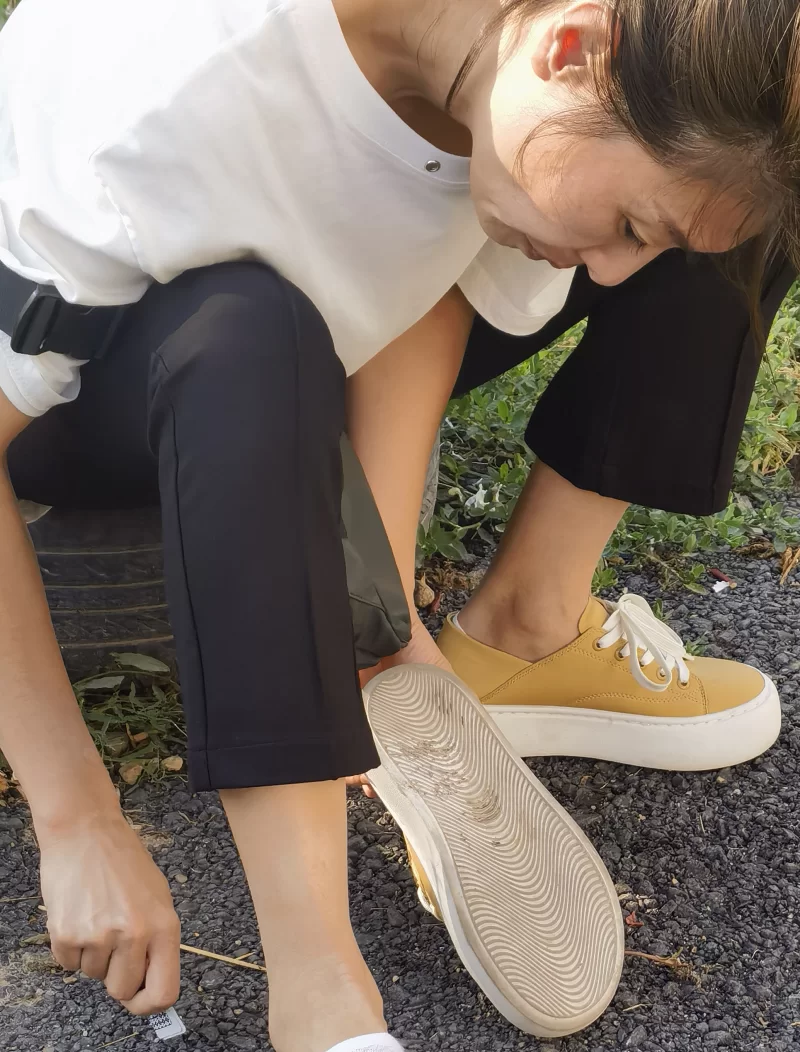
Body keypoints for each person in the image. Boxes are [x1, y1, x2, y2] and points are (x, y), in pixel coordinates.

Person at [0, 0, 798, 1049]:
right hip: (97, 376)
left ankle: (525, 626)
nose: (607, 271)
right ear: (572, 49)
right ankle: (320, 989)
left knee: (729, 218)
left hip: (307, 325)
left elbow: (422, 272)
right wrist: (77, 819)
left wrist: (373, 601)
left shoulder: (525, 80)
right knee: (248, 330)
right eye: (626, 231)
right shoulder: (155, 111)